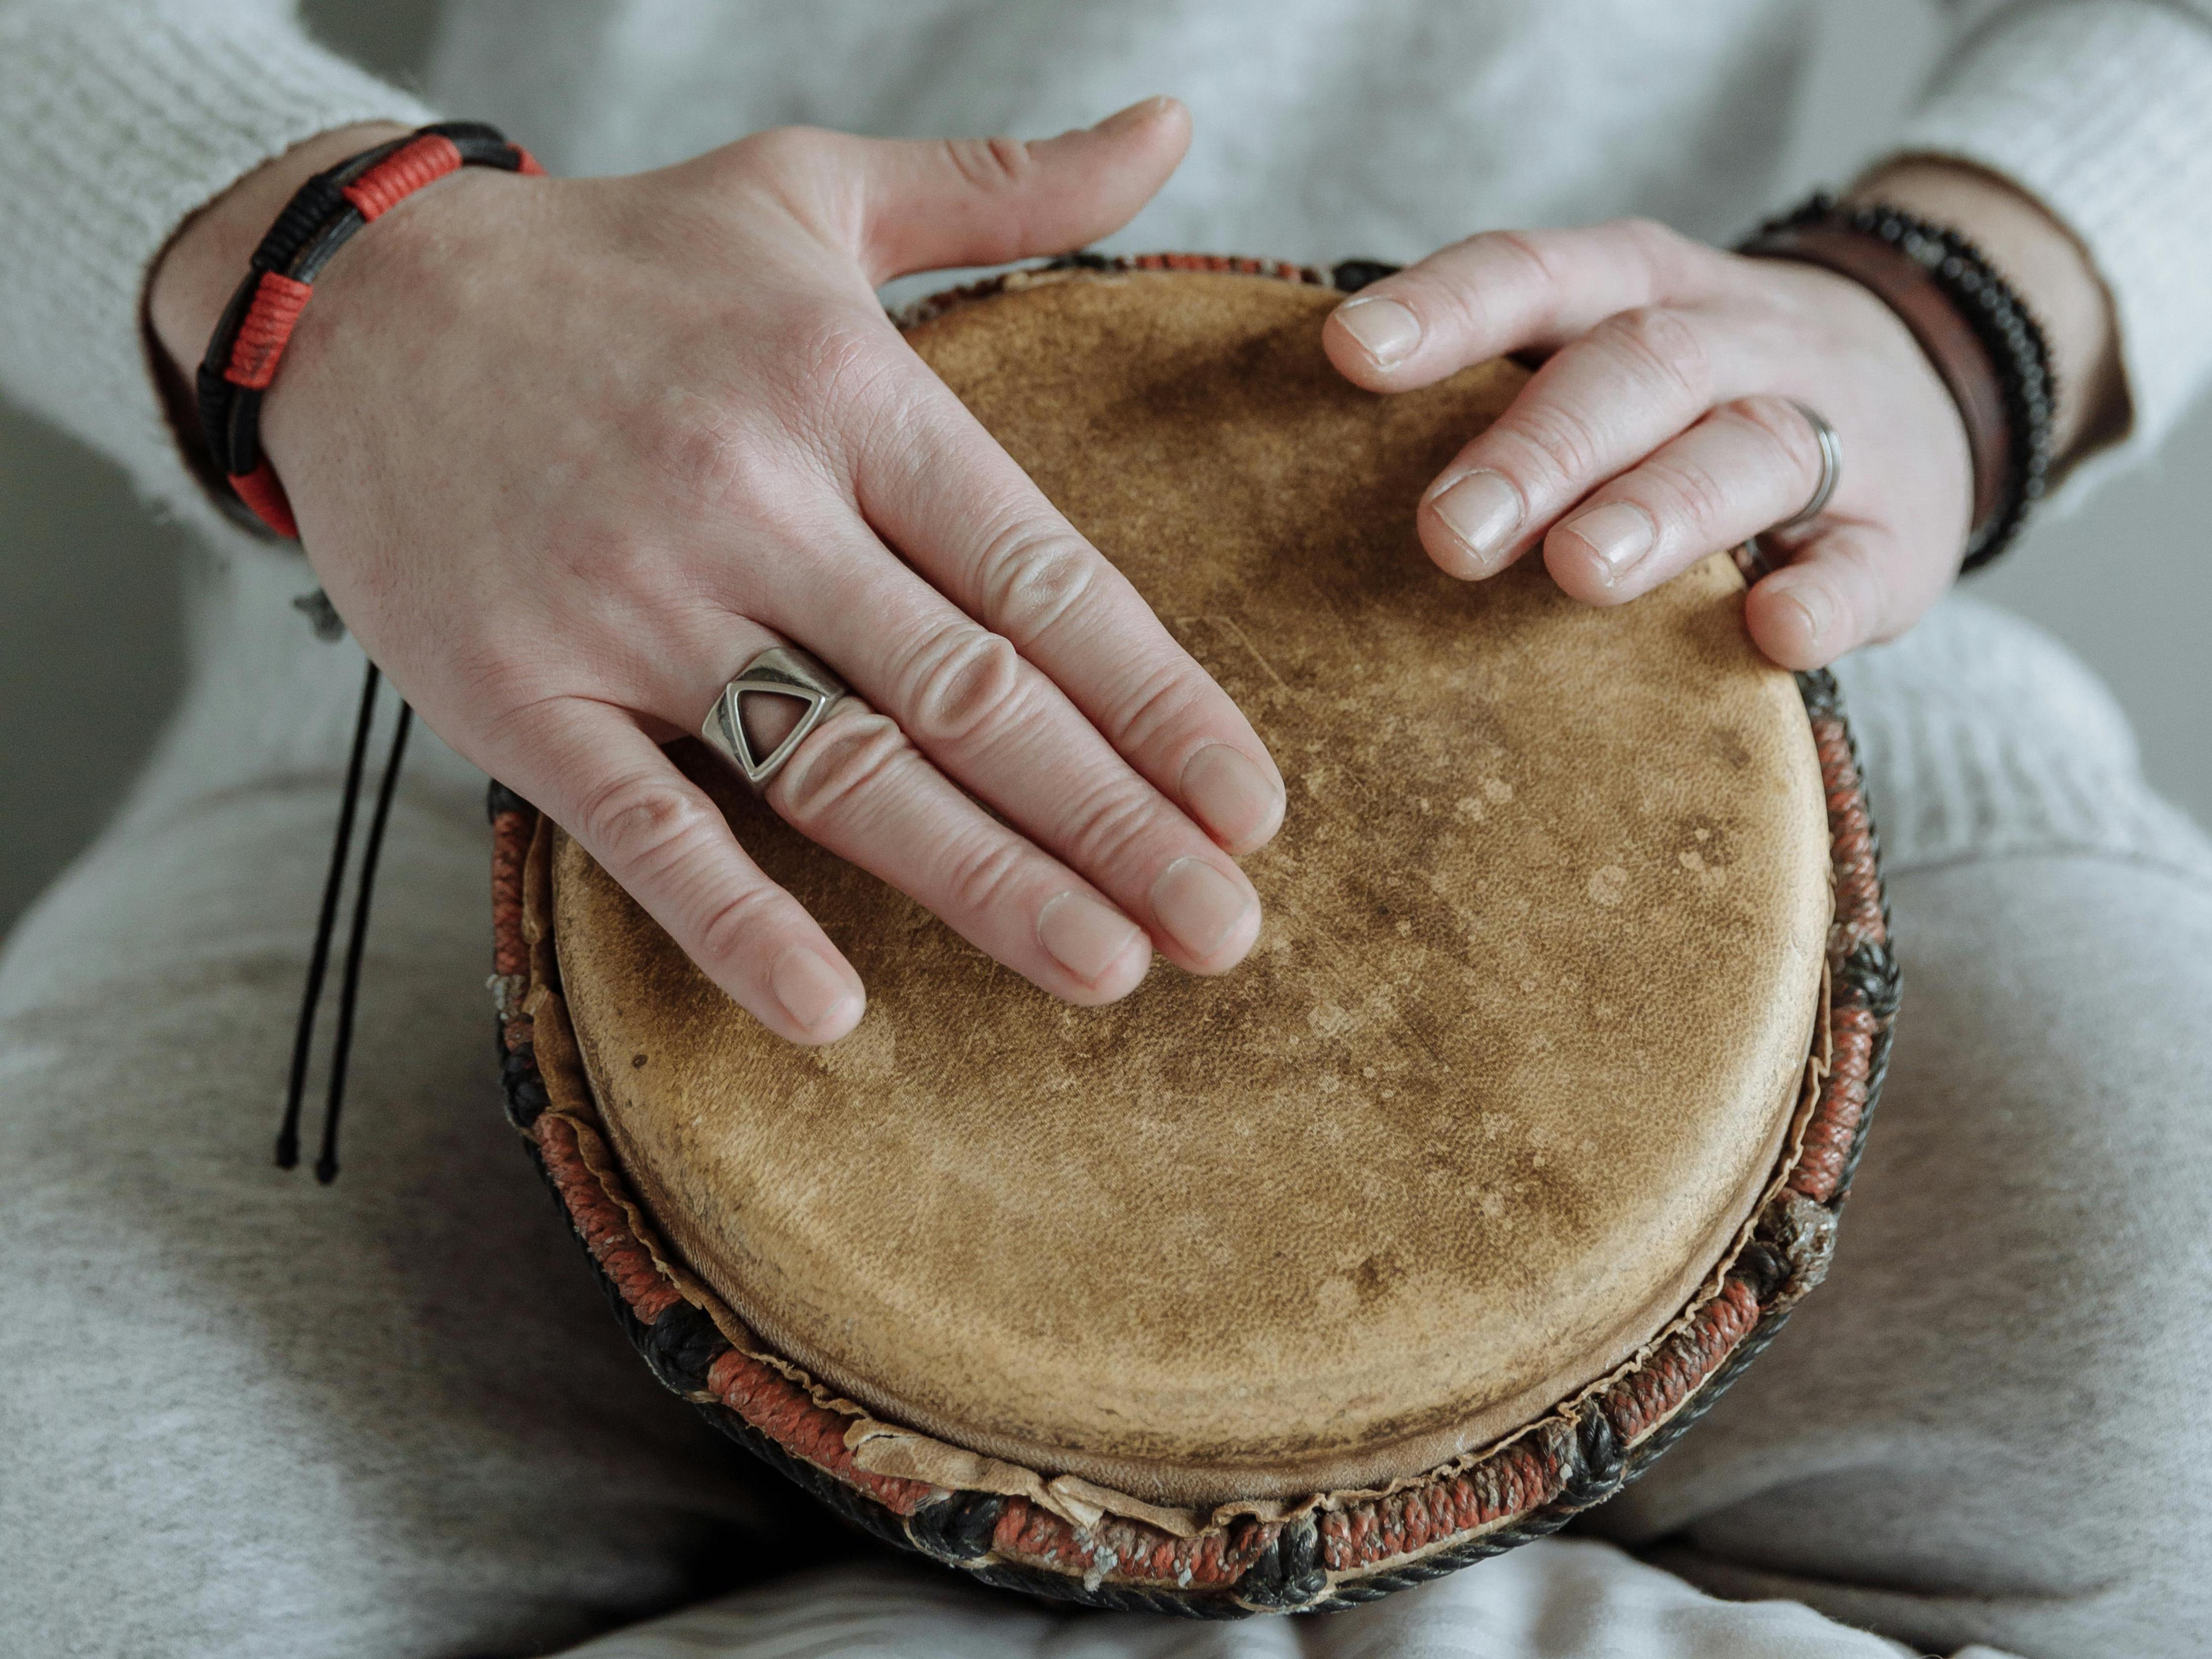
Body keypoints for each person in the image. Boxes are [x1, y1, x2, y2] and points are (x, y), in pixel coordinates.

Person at [1, 1, 2209, 1655]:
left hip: (1657, 578)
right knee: (77, 1530)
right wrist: (340, 275)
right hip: (511, 605)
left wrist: (1948, 310)